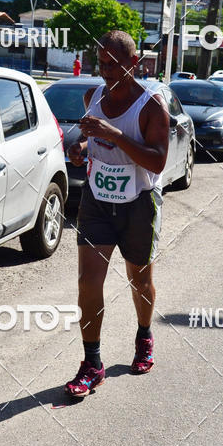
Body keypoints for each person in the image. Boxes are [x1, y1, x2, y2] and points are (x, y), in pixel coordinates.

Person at [65, 30, 170, 398]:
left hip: (139, 202)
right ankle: (92, 364)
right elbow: (89, 138)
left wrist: (115, 134)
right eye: (101, 63)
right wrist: (80, 148)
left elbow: (158, 161)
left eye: (114, 64)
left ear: (133, 63)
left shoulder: (151, 107)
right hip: (97, 200)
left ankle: (144, 335)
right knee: (88, 280)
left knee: (139, 280)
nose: (106, 71)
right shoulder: (92, 96)